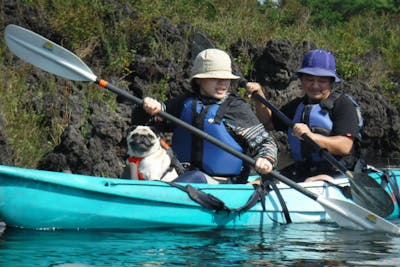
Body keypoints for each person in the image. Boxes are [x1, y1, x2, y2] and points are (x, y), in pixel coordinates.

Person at [132, 48, 278, 183]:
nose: (222, 83)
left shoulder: (236, 108)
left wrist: (266, 159)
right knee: (132, 169)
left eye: (226, 78)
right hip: (182, 178)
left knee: (195, 176)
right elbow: (142, 122)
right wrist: (146, 107)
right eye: (215, 77)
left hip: (224, 186)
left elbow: (266, 143)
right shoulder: (184, 103)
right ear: (199, 80)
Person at [245, 49, 363, 183]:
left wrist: (312, 137)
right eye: (309, 79)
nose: (315, 85)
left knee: (313, 181)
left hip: (338, 170)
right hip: (304, 169)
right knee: (259, 182)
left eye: (322, 81)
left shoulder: (343, 105)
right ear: (301, 80)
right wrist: (259, 97)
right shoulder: (297, 106)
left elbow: (345, 146)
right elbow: (268, 123)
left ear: (331, 82)